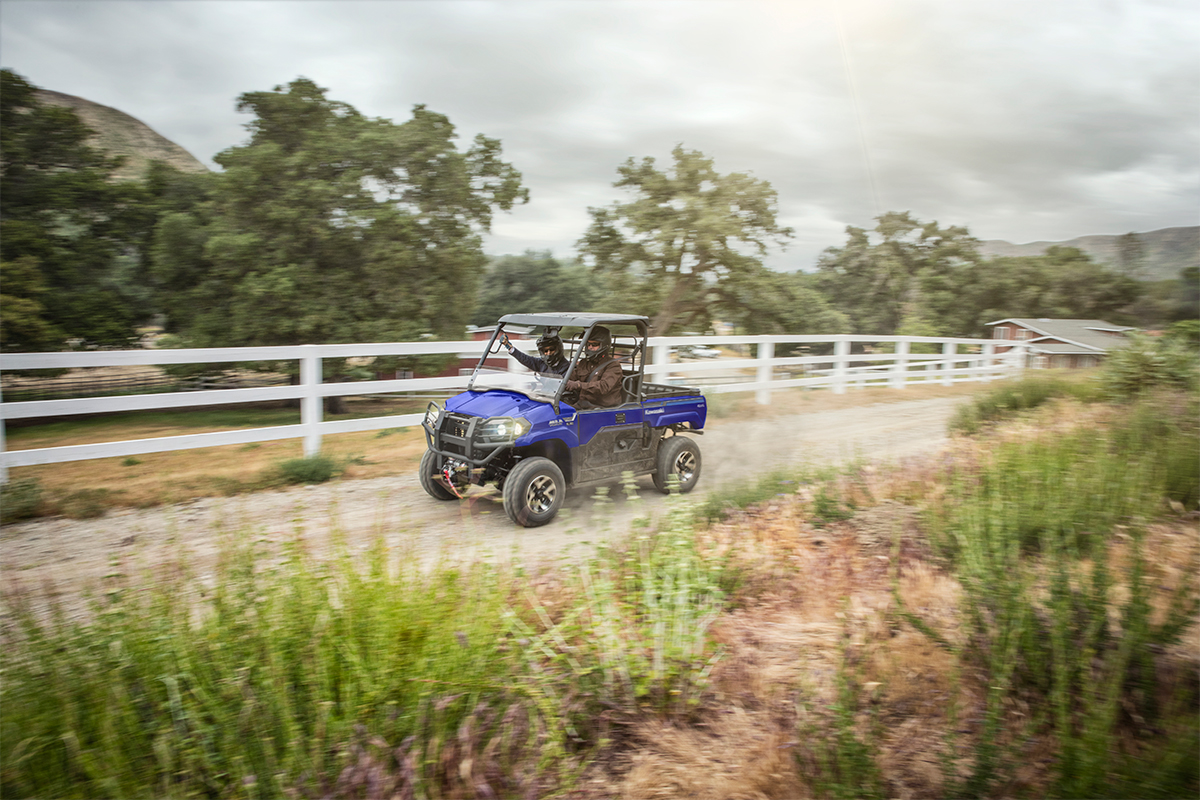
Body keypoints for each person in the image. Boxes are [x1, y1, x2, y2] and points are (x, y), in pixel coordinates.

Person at [564, 325, 623, 408]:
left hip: (601, 407)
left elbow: (604, 387)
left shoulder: (613, 365)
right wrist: (558, 381)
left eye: (594, 344)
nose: (590, 347)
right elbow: (571, 377)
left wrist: (579, 385)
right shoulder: (584, 363)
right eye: (588, 344)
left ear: (604, 345)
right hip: (582, 404)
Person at [501, 330, 569, 375]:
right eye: (545, 351)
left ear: (558, 349)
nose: (548, 353)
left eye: (551, 349)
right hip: (544, 394)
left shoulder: (566, 367)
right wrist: (508, 346)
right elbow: (525, 359)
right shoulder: (541, 363)